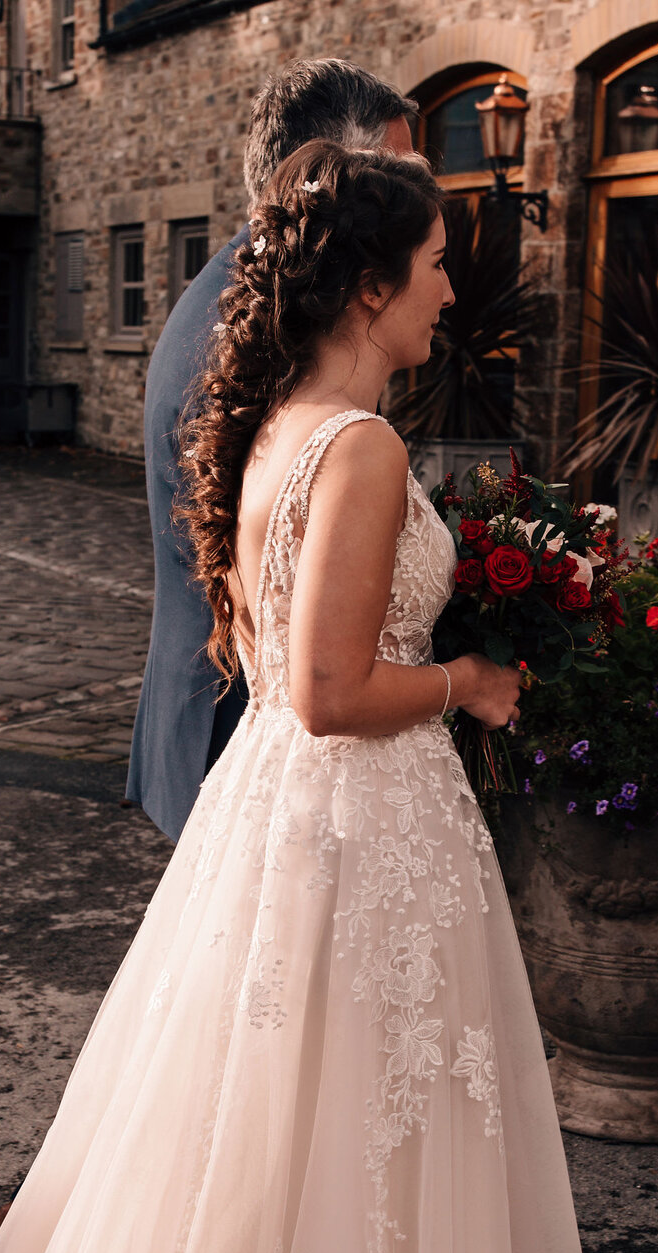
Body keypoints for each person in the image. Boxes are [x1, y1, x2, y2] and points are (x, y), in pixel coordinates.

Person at [0, 140, 632, 1253]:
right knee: (351, 1132)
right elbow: (331, 685)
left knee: (267, 1138)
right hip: (359, 818)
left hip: (287, 819)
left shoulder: (280, 428)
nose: (445, 294)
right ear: (370, 282)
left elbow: (276, 667)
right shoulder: (357, 446)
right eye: (431, 268)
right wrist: (478, 676)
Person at [123, 59, 421, 843]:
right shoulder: (249, 334)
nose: (414, 201)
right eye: (397, 174)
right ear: (327, 175)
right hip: (233, 728)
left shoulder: (257, 297)